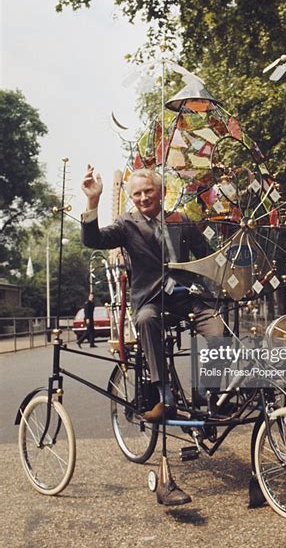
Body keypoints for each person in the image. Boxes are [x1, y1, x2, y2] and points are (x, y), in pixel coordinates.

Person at [80, 164, 224, 421]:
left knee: (218, 331)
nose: (143, 198)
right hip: (151, 299)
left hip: (188, 297)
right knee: (146, 319)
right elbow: (94, 241)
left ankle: (207, 391)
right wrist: (93, 200)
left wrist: (227, 283)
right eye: (137, 194)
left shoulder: (181, 221)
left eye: (148, 191)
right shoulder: (126, 224)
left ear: (162, 192)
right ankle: (164, 394)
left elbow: (209, 258)